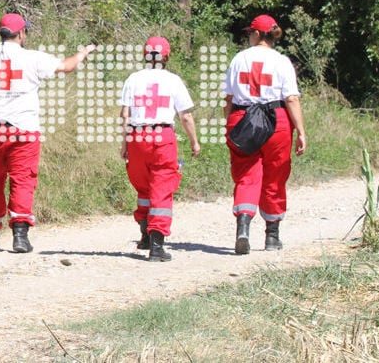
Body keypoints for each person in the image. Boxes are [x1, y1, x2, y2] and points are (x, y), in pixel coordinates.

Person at [0, 13, 97, 252]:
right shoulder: (33, 58)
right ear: (22, 34)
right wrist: (84, 52)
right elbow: (66, 67)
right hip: (23, 130)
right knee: (23, 178)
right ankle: (20, 236)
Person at [221, 14, 306, 254]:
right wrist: (300, 130)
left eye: (250, 32)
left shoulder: (238, 59)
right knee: (275, 176)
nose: (249, 36)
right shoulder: (281, 61)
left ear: (258, 34)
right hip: (275, 120)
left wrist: (229, 122)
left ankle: (243, 228)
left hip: (242, 117)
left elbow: (228, 98)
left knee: (246, 175)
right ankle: (272, 236)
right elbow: (291, 98)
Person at [118, 36, 201, 262]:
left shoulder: (133, 79)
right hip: (162, 137)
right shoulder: (173, 80)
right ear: (166, 56)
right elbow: (186, 115)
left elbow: (125, 115)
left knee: (144, 187)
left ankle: (144, 233)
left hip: (137, 136)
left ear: (145, 54)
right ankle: (156, 245)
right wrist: (194, 141)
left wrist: (124, 144)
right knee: (162, 188)